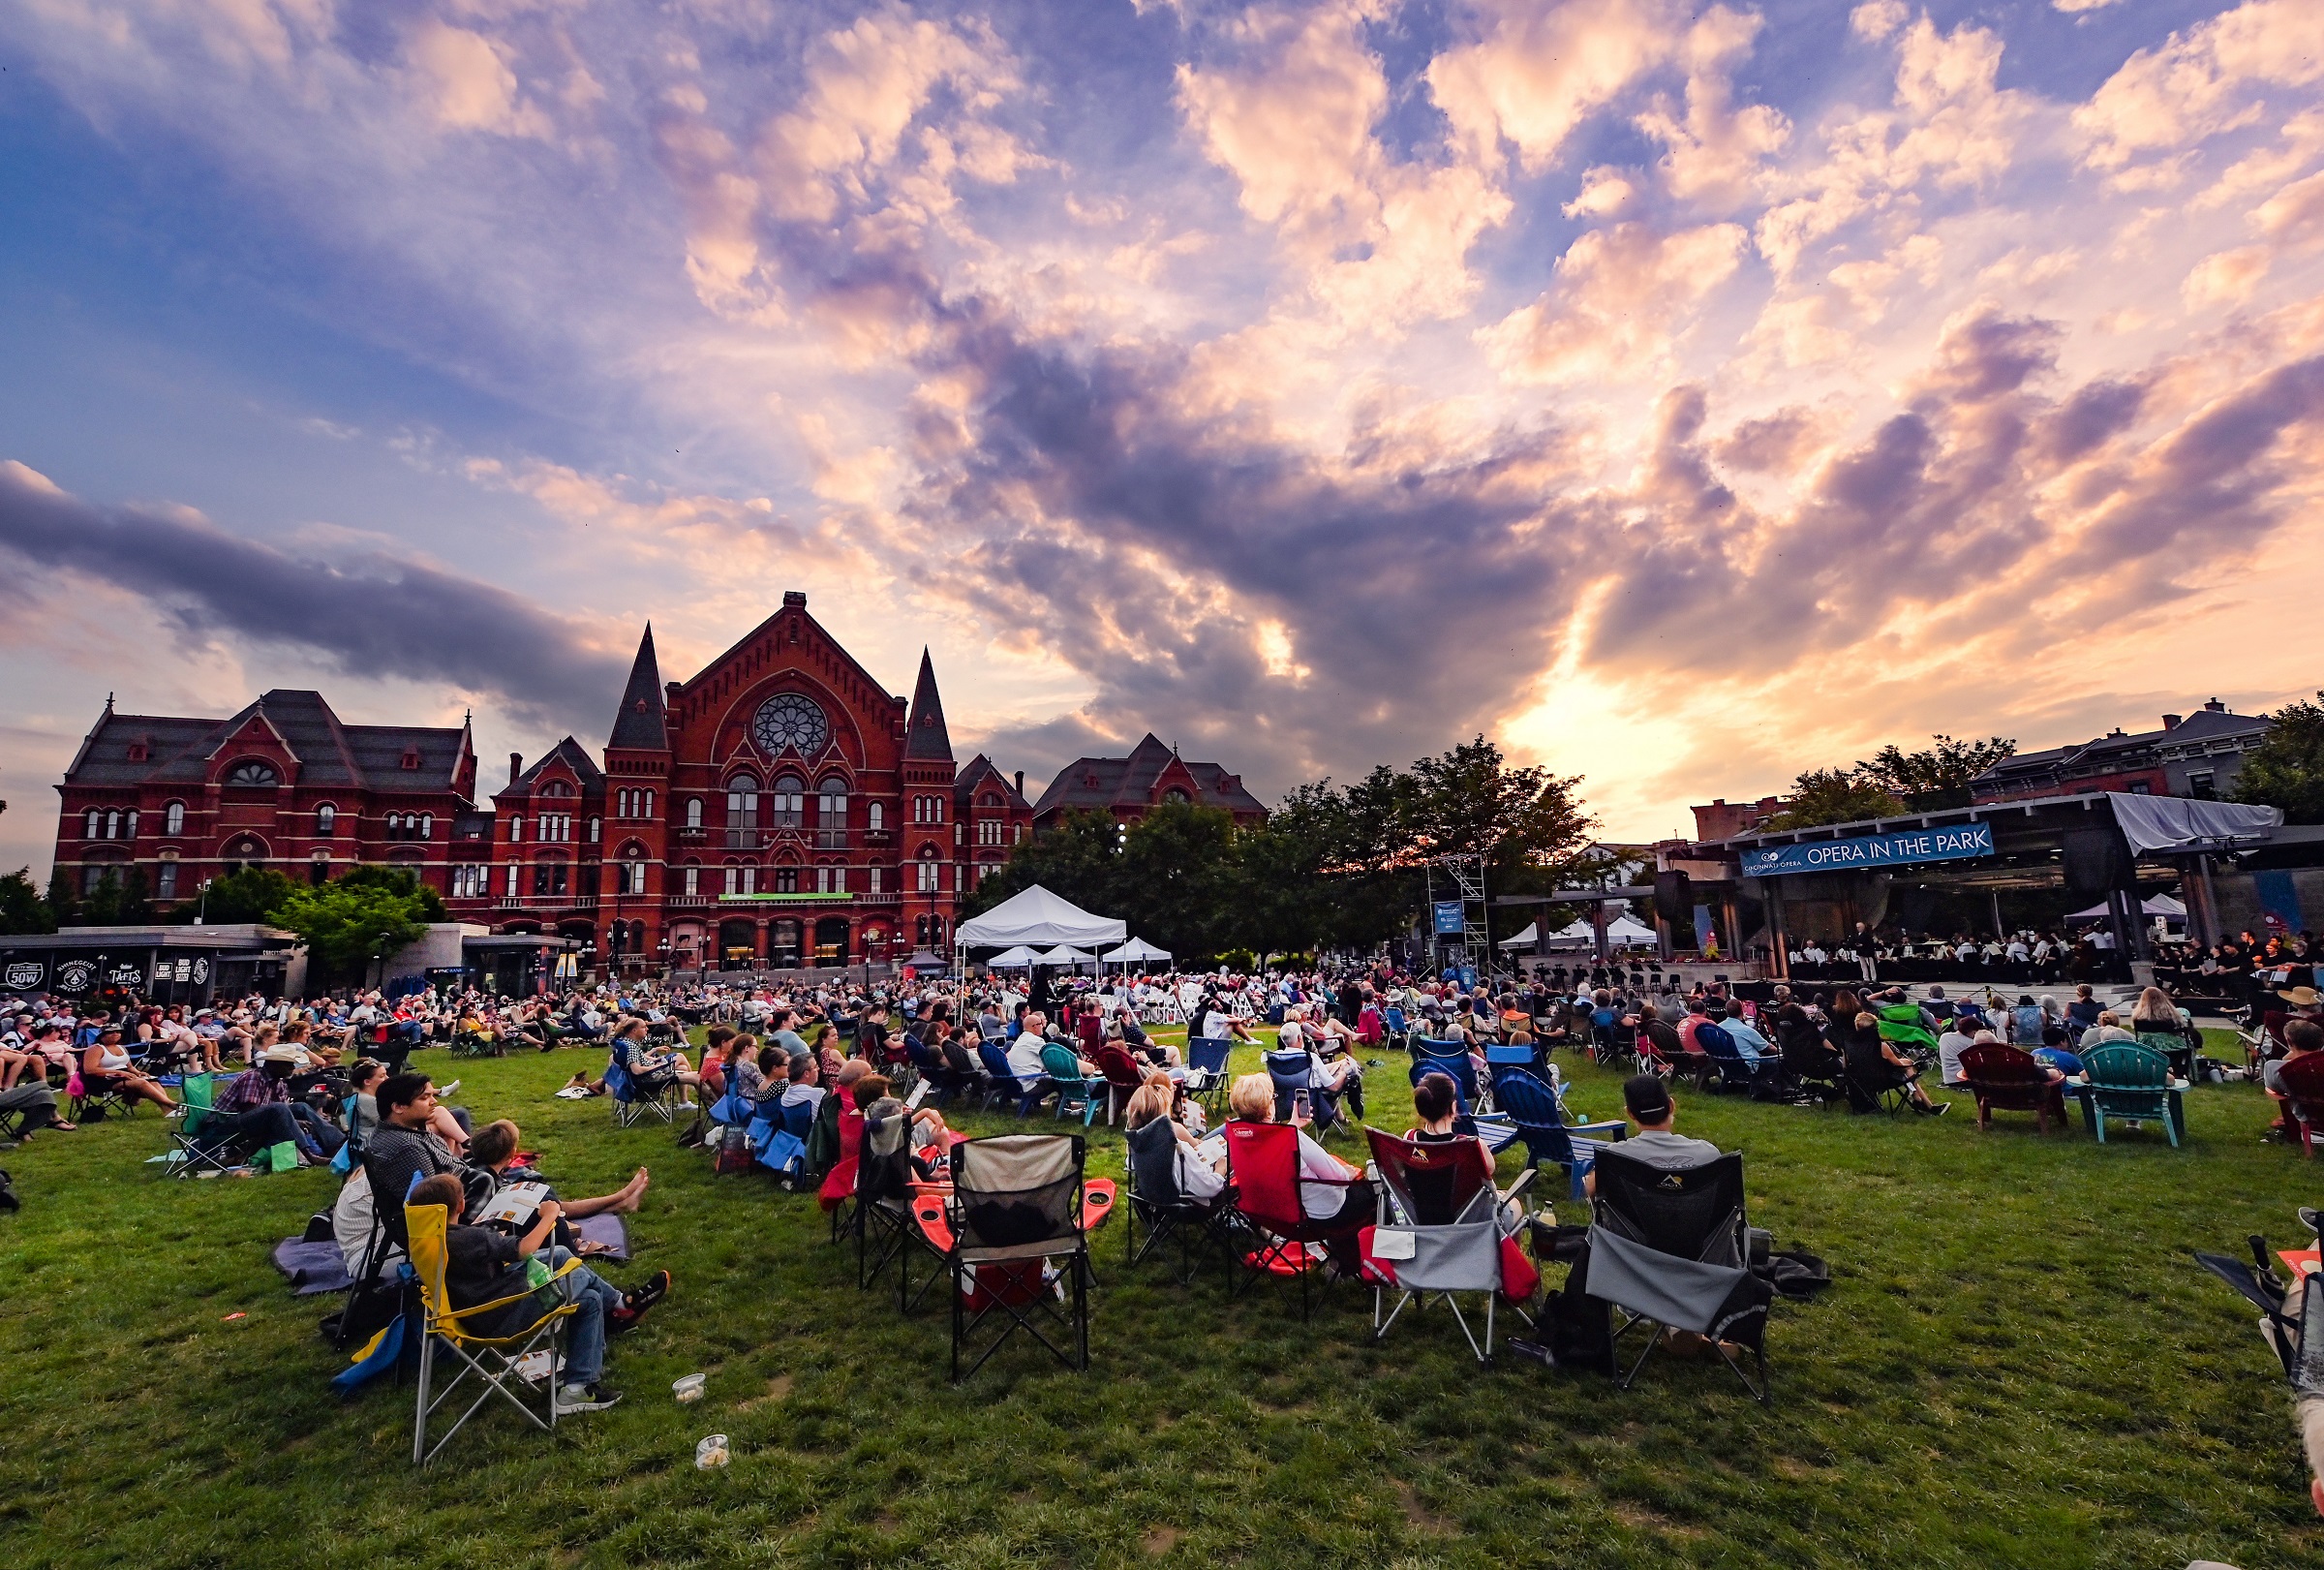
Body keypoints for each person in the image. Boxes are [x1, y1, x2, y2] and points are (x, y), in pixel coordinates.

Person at [405, 1172, 667, 1415]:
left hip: (476, 1310)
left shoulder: (429, 1239)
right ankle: (621, 1306)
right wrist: (550, 1215)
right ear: (461, 1205)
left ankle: (576, 1387)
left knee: (575, 1276)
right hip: (502, 1314)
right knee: (577, 1275)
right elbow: (526, 1249)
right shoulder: (468, 1239)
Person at [1225, 1072, 1371, 1273]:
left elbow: (1271, 1148)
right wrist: (1348, 1172)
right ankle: (1347, 1265)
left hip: (1268, 1214)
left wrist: (1293, 1127)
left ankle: (1343, 1260)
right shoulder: (1292, 1139)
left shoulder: (1240, 1138)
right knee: (1374, 1197)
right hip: (1311, 1219)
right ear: (1269, 1107)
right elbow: (1339, 1178)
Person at [465, 1119, 648, 1218]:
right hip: (505, 1237)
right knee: (555, 1205)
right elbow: (472, 1223)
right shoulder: (485, 1180)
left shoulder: (476, 1169)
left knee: (552, 1202)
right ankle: (621, 1197)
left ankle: (622, 1203)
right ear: (512, 1155)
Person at [1584, 1073, 1720, 1195]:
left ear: (1630, 1114)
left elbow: (1591, 1190)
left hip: (1634, 1223)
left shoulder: (1615, 1157)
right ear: (1671, 1106)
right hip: (1695, 1222)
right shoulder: (1708, 1154)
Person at [1841, 1009, 1949, 1115]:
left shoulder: (1849, 1044)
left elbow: (1845, 1066)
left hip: (1860, 1081)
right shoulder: (1880, 1046)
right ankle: (1927, 1105)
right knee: (1907, 1066)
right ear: (1874, 1028)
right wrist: (1913, 1064)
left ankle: (1919, 1101)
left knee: (1906, 1062)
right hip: (1882, 1080)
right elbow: (1898, 1065)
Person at [77, 1027, 177, 1113]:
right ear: (102, 1036)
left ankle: (168, 1110)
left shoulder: (122, 1048)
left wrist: (138, 1072)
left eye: (118, 1032)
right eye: (111, 1032)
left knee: (154, 1082)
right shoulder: (96, 1049)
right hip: (103, 1081)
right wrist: (119, 1073)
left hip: (124, 1077)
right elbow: (90, 1070)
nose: (115, 1034)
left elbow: (129, 1067)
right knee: (140, 1083)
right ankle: (171, 1104)